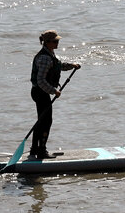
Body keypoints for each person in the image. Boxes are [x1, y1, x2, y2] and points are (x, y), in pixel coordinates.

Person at [29, 30, 81, 159]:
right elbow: (41, 81)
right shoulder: (44, 58)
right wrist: (54, 91)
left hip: (42, 92)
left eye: (58, 41)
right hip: (40, 92)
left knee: (42, 121)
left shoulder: (50, 54)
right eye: (55, 41)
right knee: (45, 121)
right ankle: (40, 151)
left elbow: (58, 66)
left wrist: (71, 65)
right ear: (47, 43)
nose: (58, 43)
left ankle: (35, 150)